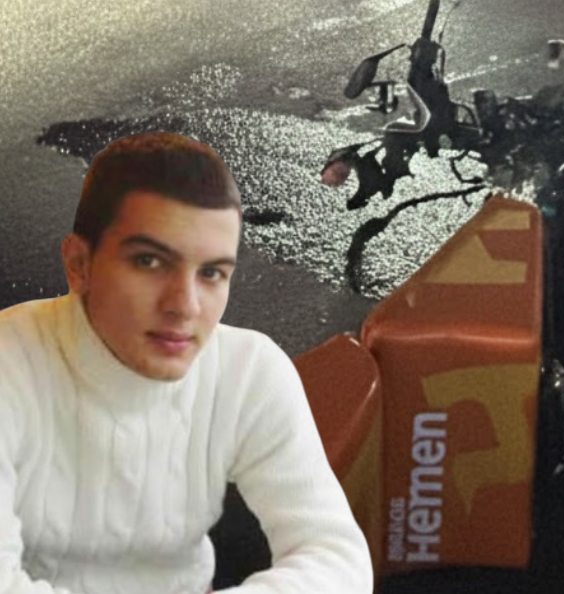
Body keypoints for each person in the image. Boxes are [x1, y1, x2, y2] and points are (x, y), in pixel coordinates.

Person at [0, 132, 374, 594]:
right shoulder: (9, 366)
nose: (186, 305)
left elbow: (337, 559)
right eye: (149, 262)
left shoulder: (248, 370)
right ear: (80, 265)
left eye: (211, 272)